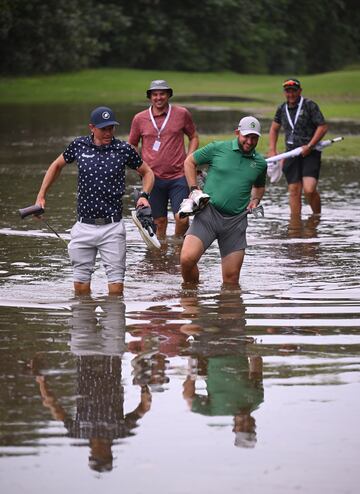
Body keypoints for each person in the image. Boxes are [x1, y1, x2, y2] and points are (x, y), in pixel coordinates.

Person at [35, 106, 154, 296]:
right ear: (92, 127)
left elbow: (147, 172)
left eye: (111, 128)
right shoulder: (78, 146)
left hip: (112, 227)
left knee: (116, 291)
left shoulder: (123, 149)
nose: (108, 133)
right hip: (83, 227)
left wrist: (144, 195)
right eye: (103, 128)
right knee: (81, 289)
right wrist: (41, 196)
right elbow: (56, 165)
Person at [180, 116, 267, 287]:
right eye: (246, 136)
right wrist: (194, 189)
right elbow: (190, 162)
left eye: (254, 137)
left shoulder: (260, 163)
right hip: (208, 215)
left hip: (236, 222)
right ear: (237, 133)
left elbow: (259, 186)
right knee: (187, 259)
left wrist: (255, 199)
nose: (249, 141)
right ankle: (191, 292)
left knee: (231, 280)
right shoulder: (217, 148)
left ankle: (227, 310)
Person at [128, 80, 199, 238]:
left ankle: (179, 249)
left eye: (162, 94)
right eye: (155, 94)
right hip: (153, 178)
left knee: (182, 218)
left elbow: (193, 137)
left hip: (179, 176)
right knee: (159, 221)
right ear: (150, 97)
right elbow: (132, 144)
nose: (158, 97)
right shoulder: (139, 118)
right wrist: (140, 167)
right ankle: (160, 256)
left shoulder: (182, 114)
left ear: (168, 95)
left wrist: (189, 159)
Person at [268, 78, 328, 216]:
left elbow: (322, 127)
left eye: (293, 91)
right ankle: (295, 225)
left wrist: (310, 145)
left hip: (310, 153)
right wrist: (272, 149)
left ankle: (317, 217)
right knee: (294, 191)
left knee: (309, 190)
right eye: (288, 91)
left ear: (299, 91)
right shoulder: (282, 109)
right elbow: (274, 129)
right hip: (291, 154)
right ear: (284, 92)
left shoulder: (309, 105)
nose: (291, 94)